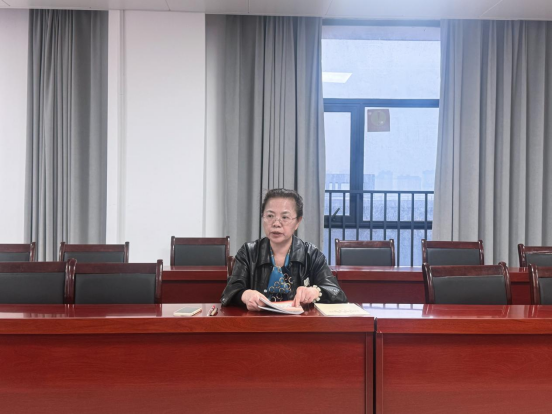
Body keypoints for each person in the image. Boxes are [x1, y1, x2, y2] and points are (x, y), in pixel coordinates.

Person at [221, 188, 348, 310]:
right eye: (270, 216)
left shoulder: (311, 254)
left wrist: (315, 292)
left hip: (299, 322)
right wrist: (245, 295)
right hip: (258, 322)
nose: (276, 224)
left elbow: (337, 293)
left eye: (285, 217)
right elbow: (229, 292)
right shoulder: (248, 252)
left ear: (298, 222)